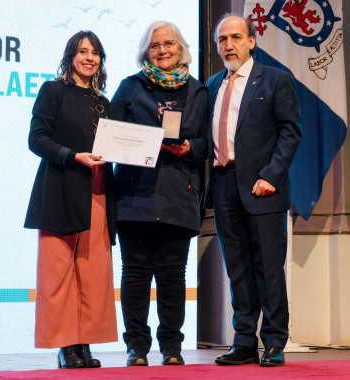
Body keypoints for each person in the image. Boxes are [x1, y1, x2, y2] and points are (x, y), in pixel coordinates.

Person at [204, 14, 302, 367]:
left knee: (268, 269)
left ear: (251, 41)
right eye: (221, 40)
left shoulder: (275, 80)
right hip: (223, 186)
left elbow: (291, 132)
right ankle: (244, 340)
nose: (227, 45)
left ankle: (274, 341)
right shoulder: (212, 84)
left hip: (264, 188)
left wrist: (271, 176)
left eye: (234, 37)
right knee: (238, 270)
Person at [110, 21, 207, 366]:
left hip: (179, 197)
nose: (162, 50)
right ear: (146, 52)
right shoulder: (129, 88)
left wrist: (190, 147)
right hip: (135, 197)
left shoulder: (198, 91)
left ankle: (172, 348)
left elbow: (210, 142)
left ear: (180, 48)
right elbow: (110, 137)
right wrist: (140, 143)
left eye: (169, 44)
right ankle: (136, 347)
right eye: (155, 46)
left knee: (172, 277)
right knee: (134, 275)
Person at [24, 30, 117, 369]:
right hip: (59, 191)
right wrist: (72, 155)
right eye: (82, 51)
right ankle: (66, 347)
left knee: (92, 276)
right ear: (70, 56)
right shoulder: (53, 91)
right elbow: (37, 139)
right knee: (58, 275)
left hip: (97, 193)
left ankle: (85, 346)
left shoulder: (104, 103)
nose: (89, 57)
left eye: (95, 52)